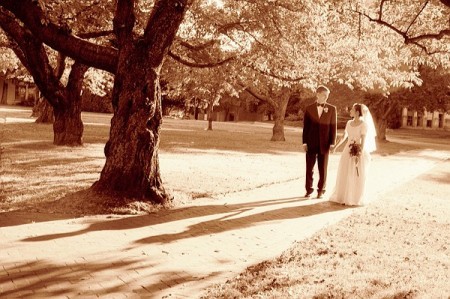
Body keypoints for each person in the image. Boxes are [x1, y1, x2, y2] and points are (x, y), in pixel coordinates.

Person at [329, 103, 377, 206]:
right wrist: (336, 147)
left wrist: (359, 154)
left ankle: (353, 197)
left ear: (357, 112)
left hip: (358, 150)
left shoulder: (364, 125)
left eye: (352, 109)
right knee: (345, 171)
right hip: (347, 150)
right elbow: (343, 137)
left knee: (355, 174)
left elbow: (363, 140)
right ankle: (342, 196)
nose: (350, 110)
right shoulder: (348, 123)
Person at [302, 85, 337, 199]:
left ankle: (321, 190)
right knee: (309, 168)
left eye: (327, 96)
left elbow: (333, 127)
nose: (326, 98)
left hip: (325, 143)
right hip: (311, 143)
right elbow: (305, 127)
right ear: (317, 94)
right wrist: (304, 142)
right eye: (324, 95)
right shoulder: (309, 108)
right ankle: (308, 190)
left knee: (323, 169)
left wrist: (332, 143)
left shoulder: (332, 109)